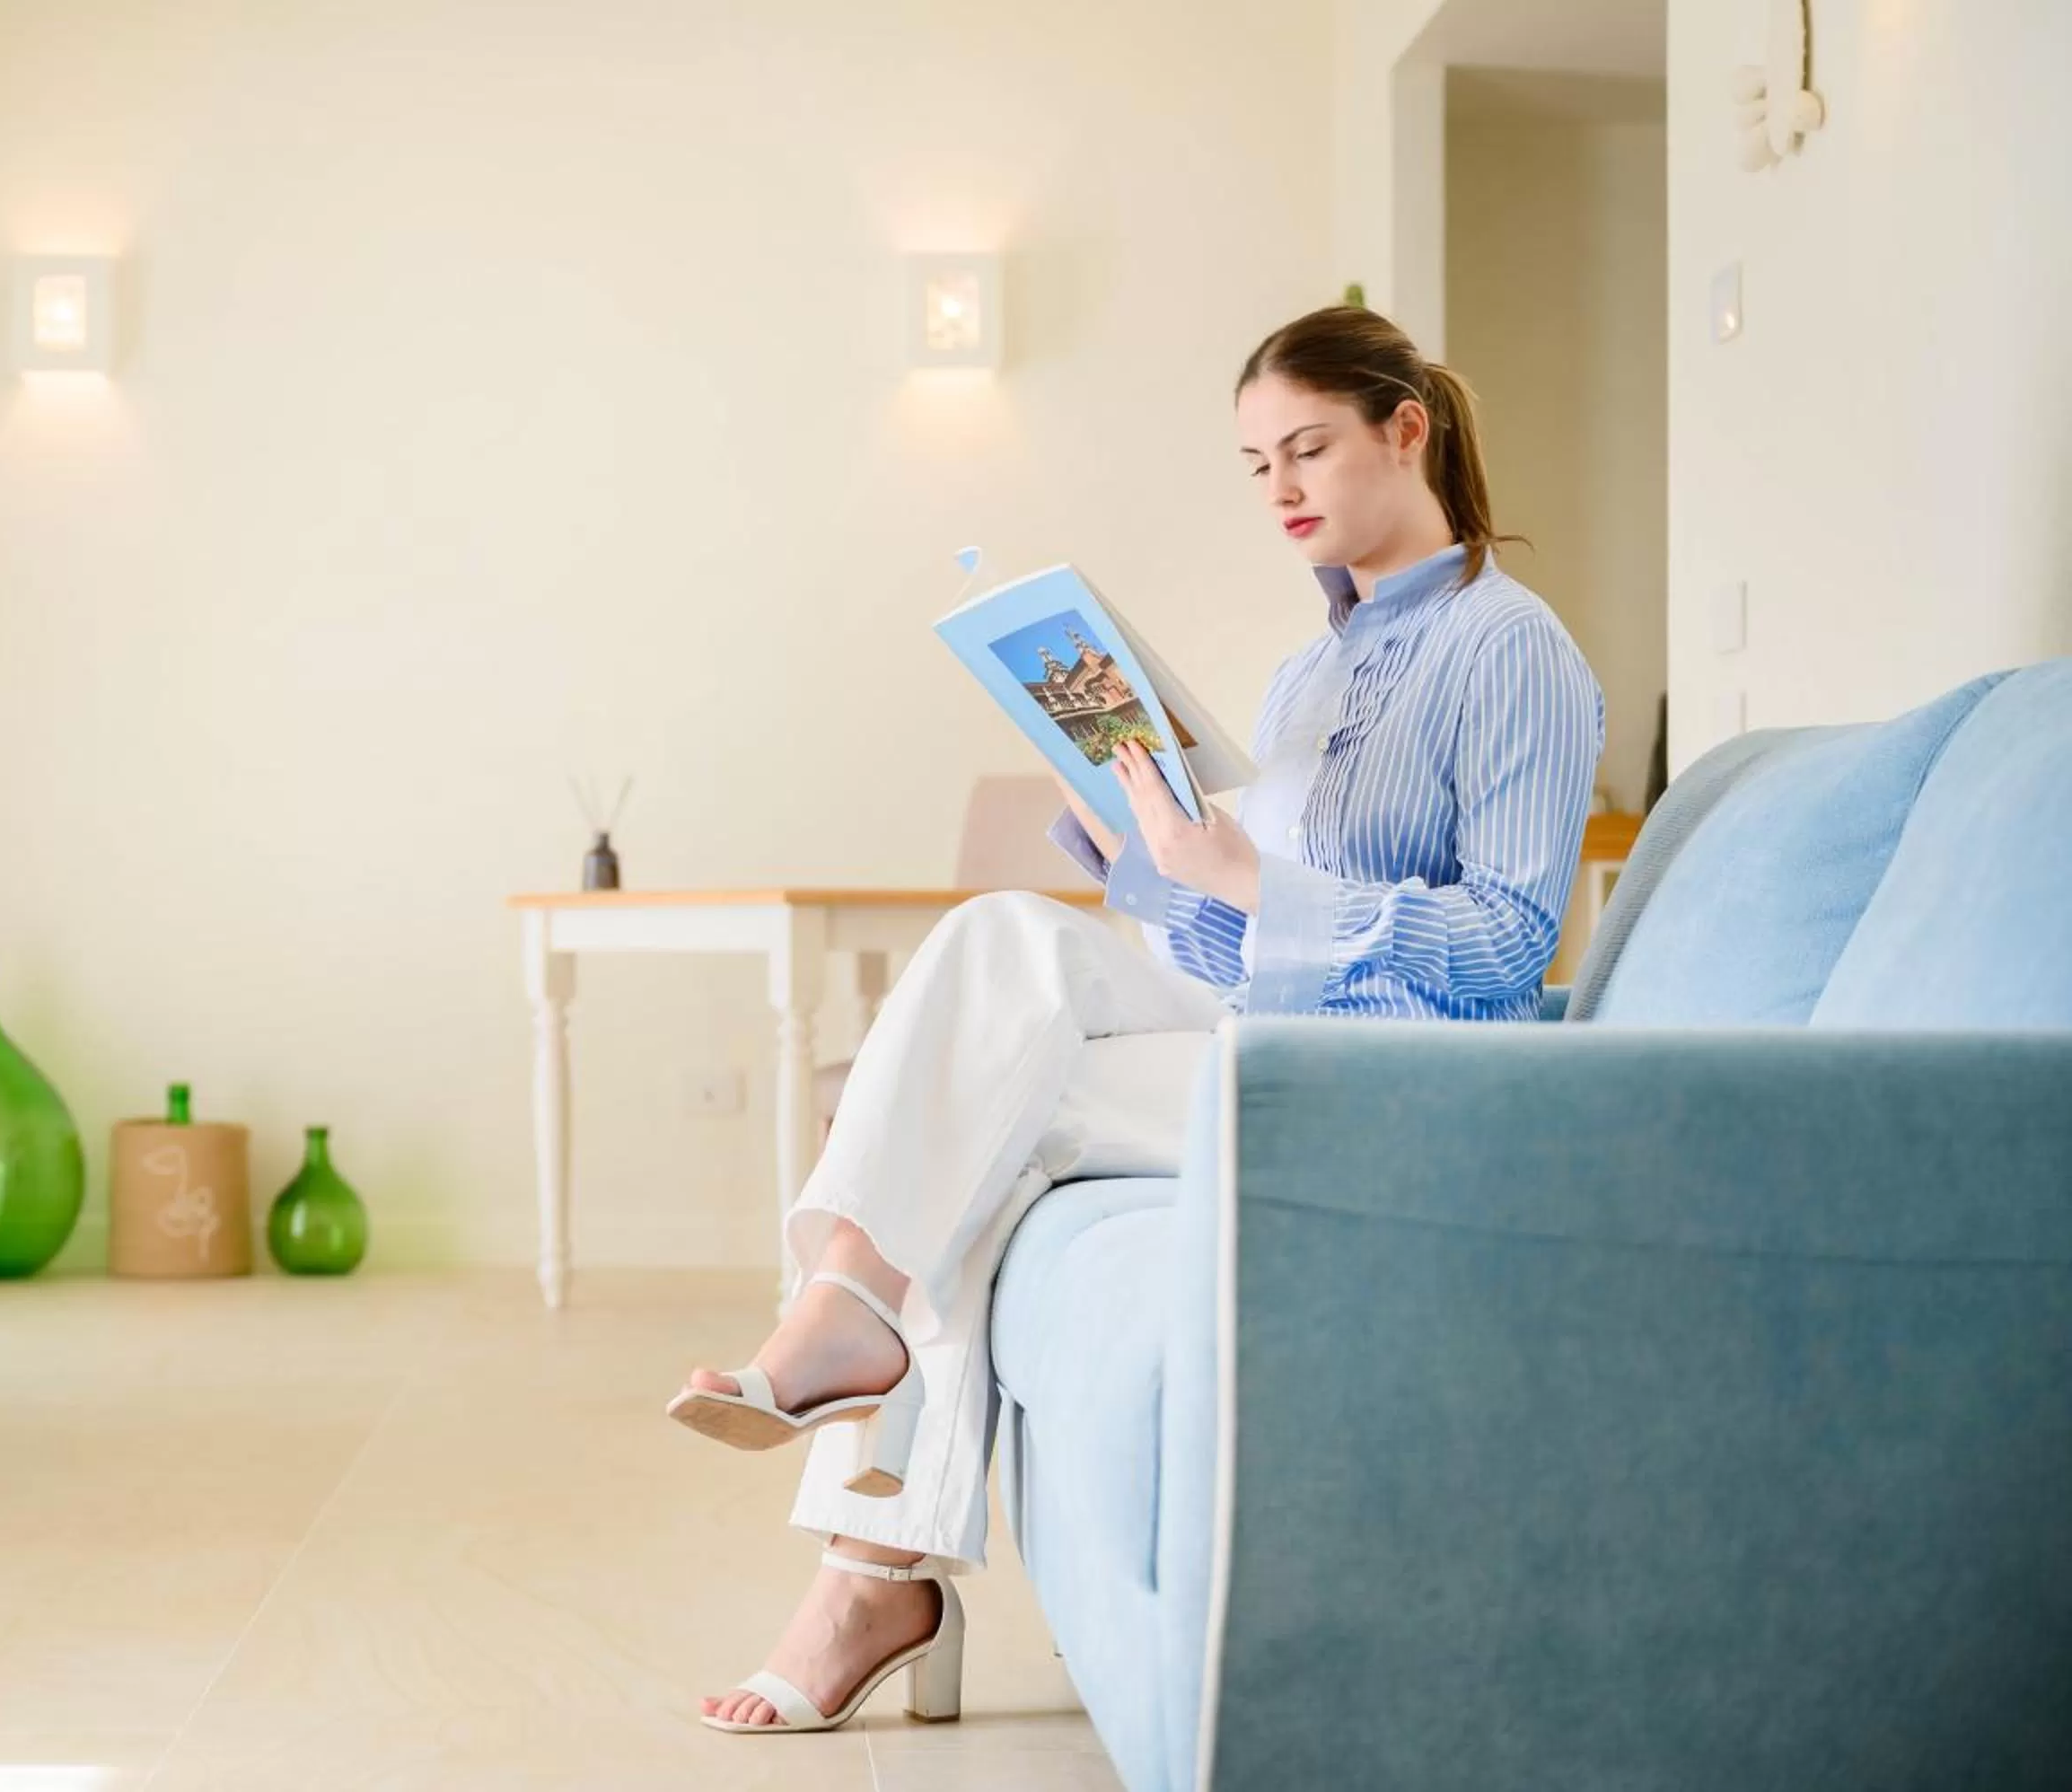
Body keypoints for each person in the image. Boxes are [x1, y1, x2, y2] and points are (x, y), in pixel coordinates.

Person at [665, 305, 1607, 1735]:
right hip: (1257, 1022)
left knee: (1000, 1118)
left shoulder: (1512, 649)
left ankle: (870, 1559)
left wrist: (1250, 880)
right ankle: (848, 1330)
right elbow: (1243, 933)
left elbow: (1507, 946)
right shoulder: (1313, 671)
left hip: (1394, 1078)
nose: (1283, 488)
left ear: (1406, 430)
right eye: (1255, 465)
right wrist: (1149, 872)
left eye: (1309, 448)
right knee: (998, 945)